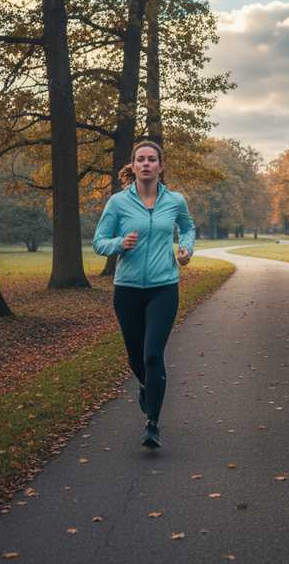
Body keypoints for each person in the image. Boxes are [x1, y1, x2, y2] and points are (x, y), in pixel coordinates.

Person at [93, 140, 195, 449]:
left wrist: (187, 247)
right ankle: (145, 385)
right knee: (136, 358)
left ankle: (152, 423)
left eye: (152, 159)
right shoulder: (117, 203)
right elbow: (99, 241)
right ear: (134, 166)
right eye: (141, 159)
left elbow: (188, 228)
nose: (146, 164)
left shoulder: (175, 201)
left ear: (161, 166)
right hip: (127, 291)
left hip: (164, 287)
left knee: (153, 355)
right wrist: (119, 244)